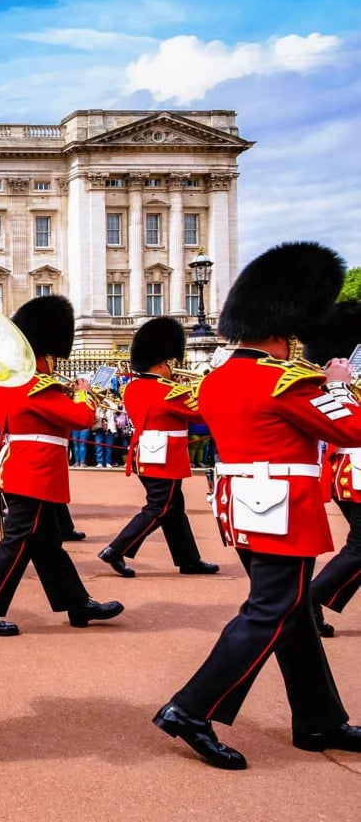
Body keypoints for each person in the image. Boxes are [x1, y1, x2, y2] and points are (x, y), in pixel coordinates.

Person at [155, 241, 361, 770]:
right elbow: (352, 430)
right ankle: (191, 709)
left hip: (245, 506)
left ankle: (319, 719)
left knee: (295, 615)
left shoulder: (218, 378)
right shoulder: (286, 381)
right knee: (272, 611)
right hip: (283, 510)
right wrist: (341, 388)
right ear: (286, 327)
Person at [0, 295, 122, 637]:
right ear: (46, 353)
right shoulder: (38, 387)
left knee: (48, 544)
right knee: (17, 542)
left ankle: (77, 603)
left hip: (24, 472)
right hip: (33, 475)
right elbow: (82, 418)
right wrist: (84, 392)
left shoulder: (10, 384)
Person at [99, 316, 219, 578]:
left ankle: (189, 559)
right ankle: (116, 549)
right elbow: (200, 413)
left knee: (174, 509)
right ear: (161, 363)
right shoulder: (168, 391)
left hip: (146, 454)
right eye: (170, 363)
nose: (173, 368)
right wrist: (208, 386)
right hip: (165, 458)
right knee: (160, 508)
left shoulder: (133, 388)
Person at [310, 302, 361, 637]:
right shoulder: (333, 387)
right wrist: (339, 386)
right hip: (354, 473)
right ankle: (309, 600)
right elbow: (347, 426)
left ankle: (311, 602)